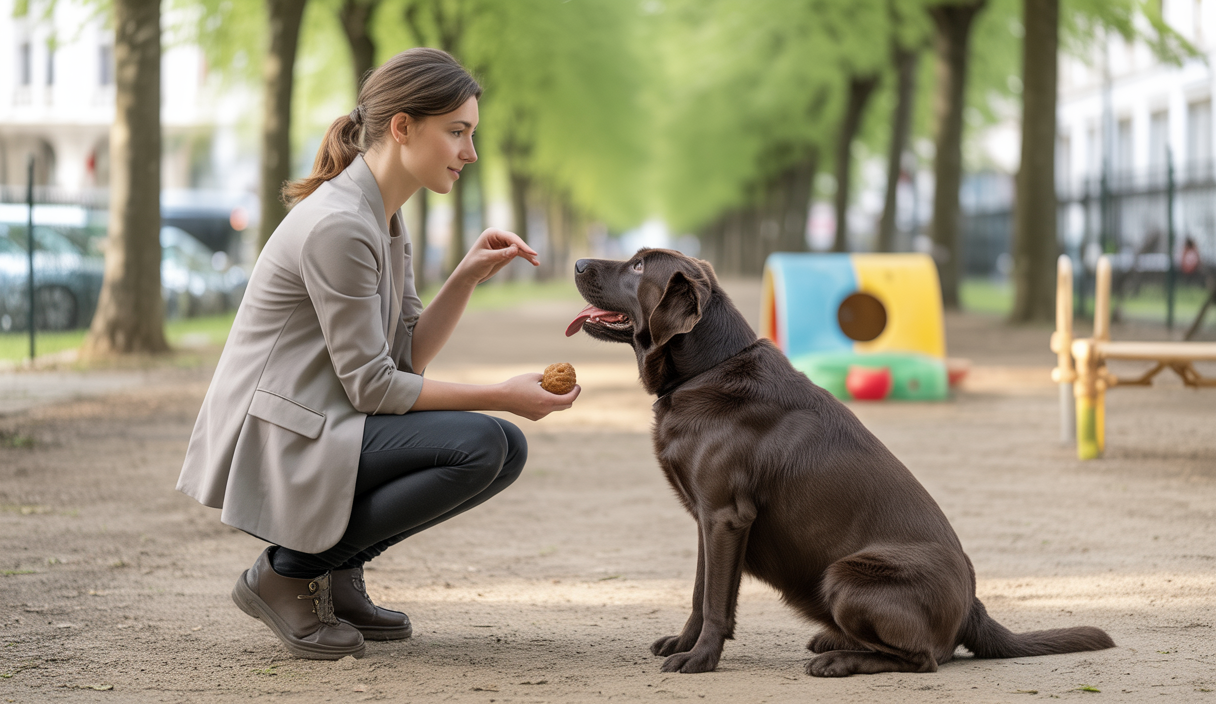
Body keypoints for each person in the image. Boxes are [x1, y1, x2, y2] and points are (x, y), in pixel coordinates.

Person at [176, 48, 580, 660]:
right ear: (402, 127)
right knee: (484, 442)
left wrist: (466, 277)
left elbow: (406, 358)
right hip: (282, 437)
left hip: (328, 423)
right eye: (457, 132)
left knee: (505, 448)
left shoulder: (384, 217)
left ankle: (337, 576)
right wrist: (502, 394)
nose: (470, 152)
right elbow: (373, 387)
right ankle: (288, 574)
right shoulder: (340, 224)